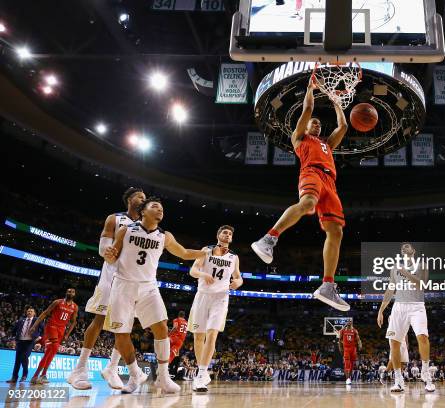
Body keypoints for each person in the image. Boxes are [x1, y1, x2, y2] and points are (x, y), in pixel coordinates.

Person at [251, 78, 349, 311]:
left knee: (336, 231)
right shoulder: (300, 138)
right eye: (312, 124)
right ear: (304, 128)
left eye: (317, 124)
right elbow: (307, 109)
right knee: (307, 204)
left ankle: (327, 285)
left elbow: (343, 127)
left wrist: (336, 102)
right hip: (311, 173)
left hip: (330, 182)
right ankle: (268, 239)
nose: (316, 125)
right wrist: (310, 89)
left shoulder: (326, 144)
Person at [103, 197, 208, 394]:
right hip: (123, 284)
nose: (160, 210)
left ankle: (163, 377)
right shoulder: (126, 230)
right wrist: (109, 254)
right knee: (121, 334)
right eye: (154, 206)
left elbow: (184, 253)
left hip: (148, 287)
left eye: (161, 208)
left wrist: (205, 254)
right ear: (143, 211)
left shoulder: (164, 236)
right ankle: (134, 375)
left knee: (161, 327)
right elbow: (113, 255)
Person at [68, 187, 145, 390]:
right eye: (140, 196)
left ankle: (111, 367)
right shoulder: (115, 218)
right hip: (111, 277)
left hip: (132, 281)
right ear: (129, 199)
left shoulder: (146, 227)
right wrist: (108, 251)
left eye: (145, 198)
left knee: (125, 326)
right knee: (99, 320)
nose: (143, 199)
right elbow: (103, 248)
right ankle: (79, 369)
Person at [188, 225, 243, 392]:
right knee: (199, 337)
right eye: (224, 232)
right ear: (218, 235)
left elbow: (239, 277)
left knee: (211, 336)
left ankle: (201, 375)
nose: (227, 235)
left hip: (221, 298)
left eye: (230, 233)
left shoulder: (234, 257)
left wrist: (237, 283)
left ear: (231, 238)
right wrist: (203, 274)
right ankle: (202, 371)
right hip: (203, 295)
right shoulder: (206, 250)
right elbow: (193, 270)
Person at [377, 243, 435, 393]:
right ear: (401, 252)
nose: (405, 247)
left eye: (408, 246)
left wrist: (405, 273)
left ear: (413, 251)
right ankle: (398, 381)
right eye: (403, 247)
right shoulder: (395, 268)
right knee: (393, 343)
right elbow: (390, 289)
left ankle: (426, 374)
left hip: (417, 306)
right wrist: (381, 310)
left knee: (423, 337)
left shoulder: (421, 264)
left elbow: (423, 284)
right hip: (399, 307)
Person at [29, 288, 78, 384]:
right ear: (66, 293)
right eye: (68, 291)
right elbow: (45, 313)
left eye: (72, 292)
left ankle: (38, 376)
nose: (70, 293)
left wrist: (67, 334)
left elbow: (73, 322)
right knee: (54, 347)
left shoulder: (75, 307)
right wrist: (34, 325)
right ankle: (41, 375)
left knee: (51, 352)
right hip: (51, 327)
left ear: (74, 294)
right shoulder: (57, 302)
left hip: (61, 330)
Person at [7, 307, 42, 383]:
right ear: (26, 312)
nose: (29, 312)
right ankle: (14, 377)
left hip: (29, 342)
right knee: (17, 361)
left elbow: (43, 329)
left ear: (34, 313)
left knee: (24, 357)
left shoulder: (36, 320)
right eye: (28, 311)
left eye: (31, 311)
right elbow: (14, 330)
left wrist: (40, 337)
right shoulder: (21, 320)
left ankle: (24, 375)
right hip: (20, 342)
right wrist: (13, 337)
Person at [338, 320, 362, 385]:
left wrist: (360, 345)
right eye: (347, 321)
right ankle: (347, 379)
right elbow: (340, 340)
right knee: (347, 364)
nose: (349, 322)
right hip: (346, 349)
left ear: (351, 323)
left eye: (350, 321)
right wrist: (340, 348)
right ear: (346, 323)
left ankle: (349, 378)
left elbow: (358, 339)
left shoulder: (354, 330)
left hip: (353, 349)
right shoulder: (343, 330)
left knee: (352, 365)